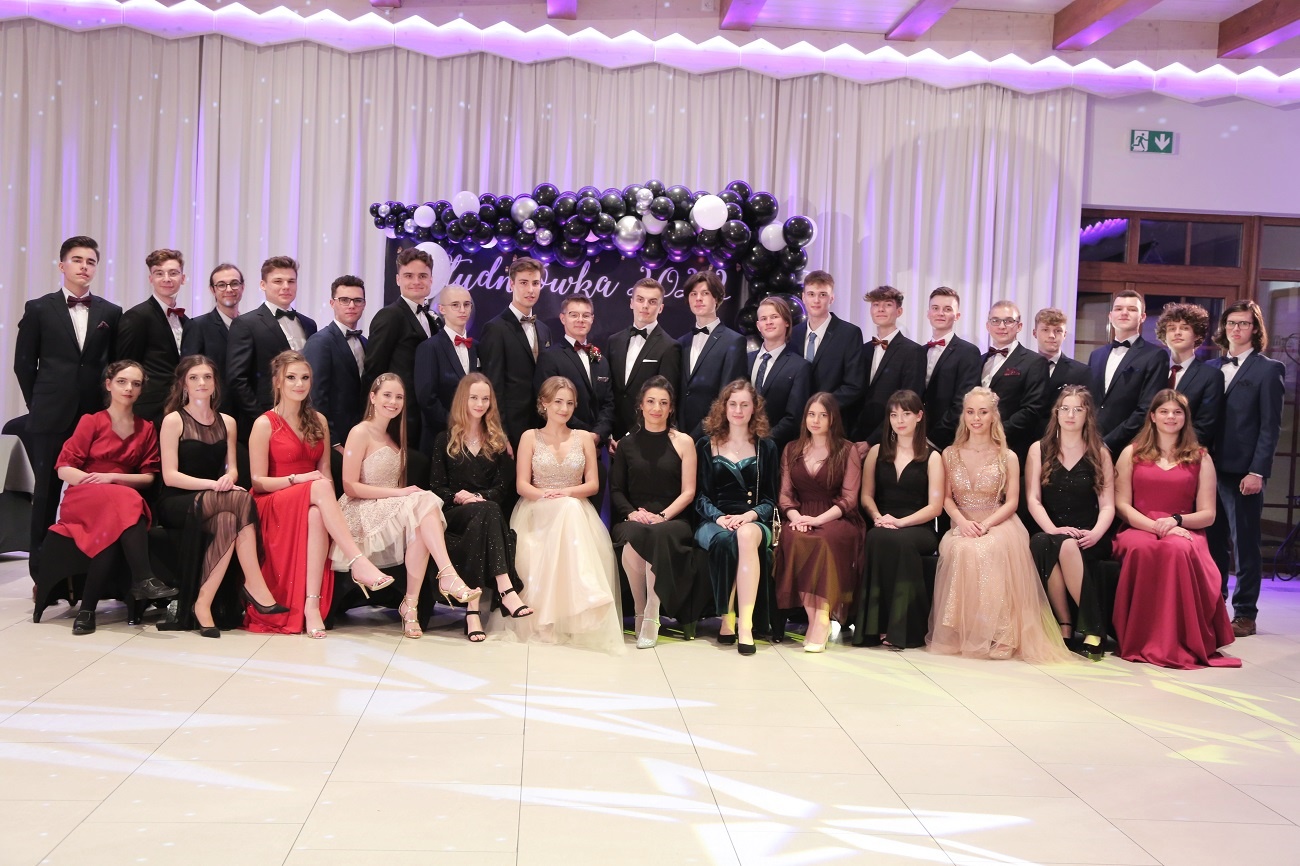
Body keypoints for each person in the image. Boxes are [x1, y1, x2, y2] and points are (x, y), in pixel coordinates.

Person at [247, 351, 391, 637]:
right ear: (277, 382)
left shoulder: (319, 420)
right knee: (321, 487)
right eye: (291, 377)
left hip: (313, 498)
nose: (299, 384)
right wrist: (297, 479)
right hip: (273, 500)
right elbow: (258, 482)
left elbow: (325, 473)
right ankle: (358, 561)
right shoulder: (264, 423)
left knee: (316, 513)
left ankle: (311, 606)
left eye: (305, 378)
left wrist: (322, 498)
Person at [928, 387, 1073, 662]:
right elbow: (945, 498)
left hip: (998, 522)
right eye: (971, 412)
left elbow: (1012, 502)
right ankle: (967, 631)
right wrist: (963, 522)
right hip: (962, 522)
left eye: (983, 412)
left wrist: (985, 525)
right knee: (960, 549)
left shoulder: (1007, 456)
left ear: (994, 415)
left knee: (987, 549)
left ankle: (1003, 634)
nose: (976, 418)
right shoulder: (950, 454)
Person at [334, 373, 480, 639]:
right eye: (387, 395)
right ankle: (446, 576)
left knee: (422, 518)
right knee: (424, 501)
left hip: (389, 508)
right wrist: (399, 493)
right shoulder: (360, 432)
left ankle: (410, 606)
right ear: (373, 397)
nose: (393, 402)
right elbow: (350, 486)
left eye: (399, 397)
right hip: (360, 510)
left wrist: (400, 496)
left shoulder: (393, 436)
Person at [14, 235, 122, 580]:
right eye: (77, 260)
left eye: (91, 261)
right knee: (45, 492)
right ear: (62, 265)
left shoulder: (110, 312)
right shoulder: (39, 308)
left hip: (93, 416)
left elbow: (113, 367)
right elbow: (23, 364)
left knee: (93, 492)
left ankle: (87, 575)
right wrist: (38, 404)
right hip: (50, 415)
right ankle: (40, 575)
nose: (84, 267)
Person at [156, 356, 289, 636]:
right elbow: (170, 476)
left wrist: (228, 479)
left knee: (228, 520)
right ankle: (254, 584)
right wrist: (214, 485)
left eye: (207, 377)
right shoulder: (173, 420)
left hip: (215, 501)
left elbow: (233, 469)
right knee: (241, 499)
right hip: (178, 500)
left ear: (215, 383)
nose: (201, 383)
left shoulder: (227, 422)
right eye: (194, 378)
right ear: (183, 384)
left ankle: (202, 604)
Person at [1113, 389, 1239, 668]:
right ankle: (1138, 639)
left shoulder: (1201, 458)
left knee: (1177, 550)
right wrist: (1156, 527)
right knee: (1141, 549)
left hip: (1184, 528)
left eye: (1177, 412)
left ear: (1185, 418)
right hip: (1139, 526)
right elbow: (1122, 506)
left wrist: (1176, 521)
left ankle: (1175, 641)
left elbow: (1208, 515)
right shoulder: (1131, 453)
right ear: (1153, 416)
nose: (1171, 417)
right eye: (1164, 411)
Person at [49, 361, 174, 635]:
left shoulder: (146, 428)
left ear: (141, 390)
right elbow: (64, 469)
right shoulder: (91, 421)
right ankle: (143, 577)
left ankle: (87, 610)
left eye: (136, 384)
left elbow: (148, 477)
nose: (129, 388)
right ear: (108, 384)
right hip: (85, 495)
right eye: (122, 382)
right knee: (126, 502)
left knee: (114, 525)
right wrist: (97, 481)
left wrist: (112, 479)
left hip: (120, 500)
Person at [506, 376, 623, 652]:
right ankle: (560, 611)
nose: (564, 408)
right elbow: (522, 485)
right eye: (558, 402)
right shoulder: (529, 437)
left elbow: (593, 485)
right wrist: (547, 495)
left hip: (573, 508)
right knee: (566, 511)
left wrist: (567, 493)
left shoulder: (584, 438)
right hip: (538, 509)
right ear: (544, 403)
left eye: (570, 403)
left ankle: (574, 610)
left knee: (569, 510)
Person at [428, 373, 530, 642]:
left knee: (487, 512)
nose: (480, 404)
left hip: (484, 512)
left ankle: (472, 612)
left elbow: (501, 488)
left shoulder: (498, 441)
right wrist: (459, 497)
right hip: (453, 513)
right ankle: (507, 590)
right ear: (463, 399)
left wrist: (479, 497)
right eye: (474, 398)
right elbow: (436, 487)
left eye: (485, 398)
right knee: (488, 512)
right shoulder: (444, 439)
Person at [1208, 300, 1285, 638]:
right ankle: (1213, 606)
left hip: (1243, 472)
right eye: (1231, 323)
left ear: (1255, 329)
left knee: (1245, 545)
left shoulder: (1269, 370)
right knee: (1212, 543)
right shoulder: (1210, 366)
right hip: (1208, 468)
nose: (1236, 329)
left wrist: (1257, 471)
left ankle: (1245, 614)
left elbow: (1270, 427)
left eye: (1243, 323)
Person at [609, 376, 700, 648]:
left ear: (671, 408)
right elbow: (616, 490)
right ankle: (640, 608)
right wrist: (631, 513)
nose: (656, 408)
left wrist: (663, 516)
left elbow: (688, 492)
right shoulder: (627, 444)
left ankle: (652, 613)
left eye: (663, 403)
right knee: (635, 534)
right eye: (650, 401)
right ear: (641, 405)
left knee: (656, 535)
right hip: (636, 517)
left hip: (673, 519)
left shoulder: (684, 442)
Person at [1025, 386, 1115, 657]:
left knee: (1061, 545)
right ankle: (1075, 625)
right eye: (1065, 408)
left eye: (1078, 409)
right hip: (1051, 530)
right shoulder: (1039, 449)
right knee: (1047, 543)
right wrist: (1053, 529)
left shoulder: (1100, 452)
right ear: (1056, 413)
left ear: (1088, 414)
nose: (1070, 415)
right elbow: (1033, 499)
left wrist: (1096, 533)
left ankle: (1080, 627)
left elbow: (1107, 505)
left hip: (1089, 535)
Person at [853, 390, 944, 650]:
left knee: (900, 541)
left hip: (919, 526)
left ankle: (904, 629)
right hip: (883, 521)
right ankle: (875, 627)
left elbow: (935, 507)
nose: (899, 420)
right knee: (876, 537)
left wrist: (901, 522)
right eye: (894, 415)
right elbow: (866, 496)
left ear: (919, 416)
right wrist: (877, 517)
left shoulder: (932, 456)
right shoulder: (877, 452)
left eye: (906, 414)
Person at [774, 393, 865, 652]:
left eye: (822, 415)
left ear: (832, 419)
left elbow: (849, 499)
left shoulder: (847, 450)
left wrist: (817, 520)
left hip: (836, 517)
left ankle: (823, 618)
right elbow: (785, 495)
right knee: (794, 538)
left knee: (822, 541)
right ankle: (815, 620)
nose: (816, 420)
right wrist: (797, 518)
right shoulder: (792, 448)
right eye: (811, 414)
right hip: (801, 515)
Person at [695, 379, 779, 655]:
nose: (738, 410)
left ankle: (745, 624)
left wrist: (750, 515)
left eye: (744, 404)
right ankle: (727, 616)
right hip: (714, 520)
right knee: (726, 539)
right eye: (733, 404)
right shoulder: (706, 445)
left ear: (754, 408)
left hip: (753, 519)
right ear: (724, 407)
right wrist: (719, 518)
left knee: (744, 535)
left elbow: (770, 499)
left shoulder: (767, 447)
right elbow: (700, 497)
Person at [227, 256, 318, 435]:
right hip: (263, 422)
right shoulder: (245, 324)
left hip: (303, 420)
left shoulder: (309, 324)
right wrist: (265, 420)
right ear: (263, 285)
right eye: (278, 281)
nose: (286, 286)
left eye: (291, 281)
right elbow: (237, 379)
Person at [363, 247, 439, 446]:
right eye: (409, 276)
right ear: (398, 279)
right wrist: (374, 419)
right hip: (397, 417)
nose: (416, 281)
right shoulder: (390, 315)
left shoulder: (432, 319)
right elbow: (374, 370)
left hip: (425, 418)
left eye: (422, 276)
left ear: (431, 280)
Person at [479, 257, 552, 448]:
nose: (530, 289)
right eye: (524, 283)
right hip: (511, 428)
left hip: (543, 426)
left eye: (535, 283)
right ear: (511, 284)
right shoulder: (495, 328)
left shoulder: (544, 329)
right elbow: (493, 385)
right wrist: (500, 434)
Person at [116, 249, 191, 424]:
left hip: (181, 406)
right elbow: (125, 365)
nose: (166, 278)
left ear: (183, 278)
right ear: (151, 279)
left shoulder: (185, 320)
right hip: (148, 409)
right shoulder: (137, 316)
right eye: (159, 273)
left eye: (173, 273)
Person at [1088, 290, 1166, 455]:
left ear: (1142, 317)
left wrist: (1108, 443)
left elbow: (1147, 408)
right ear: (1110, 316)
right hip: (1090, 444)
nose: (1124, 313)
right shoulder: (1096, 355)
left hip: (1131, 447)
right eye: (1118, 309)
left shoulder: (1155, 355)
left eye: (1131, 309)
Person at [606, 278, 682, 443]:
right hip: (612, 437)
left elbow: (665, 399)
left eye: (652, 302)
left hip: (647, 437)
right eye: (640, 299)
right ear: (631, 303)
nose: (645, 306)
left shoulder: (669, 347)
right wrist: (608, 434)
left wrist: (629, 438)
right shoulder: (614, 341)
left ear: (660, 308)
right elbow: (608, 391)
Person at [534, 295, 615, 448]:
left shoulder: (600, 359)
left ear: (592, 319)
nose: (580, 320)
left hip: (596, 445)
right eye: (574, 315)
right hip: (561, 443)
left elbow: (608, 404)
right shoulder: (550, 357)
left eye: (586, 315)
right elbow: (548, 403)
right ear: (563, 318)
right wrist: (586, 434)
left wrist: (598, 434)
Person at [790, 270, 864, 434]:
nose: (816, 300)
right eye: (811, 294)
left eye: (822, 294)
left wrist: (821, 408)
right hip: (797, 425)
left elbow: (854, 385)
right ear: (803, 297)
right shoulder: (793, 334)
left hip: (833, 423)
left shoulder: (849, 333)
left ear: (832, 298)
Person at [677, 269, 748, 438]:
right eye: (693, 294)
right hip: (678, 434)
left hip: (712, 435)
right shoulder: (681, 342)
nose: (698, 298)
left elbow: (727, 396)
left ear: (716, 298)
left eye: (705, 293)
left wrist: (696, 436)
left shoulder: (734, 341)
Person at [303, 275, 367, 455]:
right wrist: (333, 441)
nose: (351, 305)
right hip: (333, 440)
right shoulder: (320, 341)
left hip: (361, 436)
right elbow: (315, 396)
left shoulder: (365, 342)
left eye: (357, 300)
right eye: (344, 300)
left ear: (364, 304)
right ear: (332, 303)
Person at [853, 285, 924, 444]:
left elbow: (909, 403)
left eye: (888, 304)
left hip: (892, 438)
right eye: (876, 304)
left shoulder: (913, 351)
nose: (881, 309)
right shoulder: (863, 349)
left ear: (899, 311)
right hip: (856, 437)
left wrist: (872, 441)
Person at [413, 285, 480, 452]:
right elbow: (427, 399)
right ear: (442, 309)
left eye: (466, 304)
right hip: (439, 438)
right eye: (455, 305)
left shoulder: (478, 347)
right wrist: (458, 424)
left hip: (474, 438)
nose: (462, 310)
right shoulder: (429, 348)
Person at [981, 300, 1048, 459]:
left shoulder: (1035, 362)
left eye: (1008, 321)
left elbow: (1033, 409)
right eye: (995, 321)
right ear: (988, 326)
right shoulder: (978, 360)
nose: (1001, 326)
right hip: (977, 445)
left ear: (1019, 326)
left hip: (1013, 446)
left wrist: (996, 433)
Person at [749, 295, 812, 454]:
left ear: (786, 322)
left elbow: (794, 417)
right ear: (758, 326)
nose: (768, 322)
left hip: (776, 450)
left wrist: (763, 442)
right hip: (740, 447)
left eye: (774, 317)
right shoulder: (744, 360)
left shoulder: (800, 367)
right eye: (764, 318)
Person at [921, 287, 981, 450]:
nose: (940, 313)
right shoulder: (919, 351)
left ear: (957, 316)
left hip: (948, 441)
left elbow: (963, 401)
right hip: (915, 437)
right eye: (935, 308)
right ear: (928, 313)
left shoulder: (968, 352)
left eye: (947, 309)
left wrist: (933, 440)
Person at [181, 263, 245, 416]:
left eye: (234, 283)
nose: (229, 289)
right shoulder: (197, 326)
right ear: (212, 290)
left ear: (242, 287)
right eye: (221, 285)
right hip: (212, 410)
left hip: (247, 410)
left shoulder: (250, 325)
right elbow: (188, 372)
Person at [1158, 302, 1222, 447]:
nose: (1177, 332)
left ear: (1197, 335)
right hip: (1149, 449)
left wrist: (1173, 449)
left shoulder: (1211, 376)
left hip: (1188, 451)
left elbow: (1205, 425)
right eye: (1171, 328)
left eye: (1185, 328)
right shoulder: (1155, 370)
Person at [1032, 307, 1091, 439]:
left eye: (1058, 331)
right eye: (1045, 330)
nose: (1052, 336)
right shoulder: (1023, 367)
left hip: (1062, 440)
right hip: (1023, 440)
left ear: (1064, 334)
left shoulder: (1081, 372)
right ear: (1035, 333)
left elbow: (1086, 413)